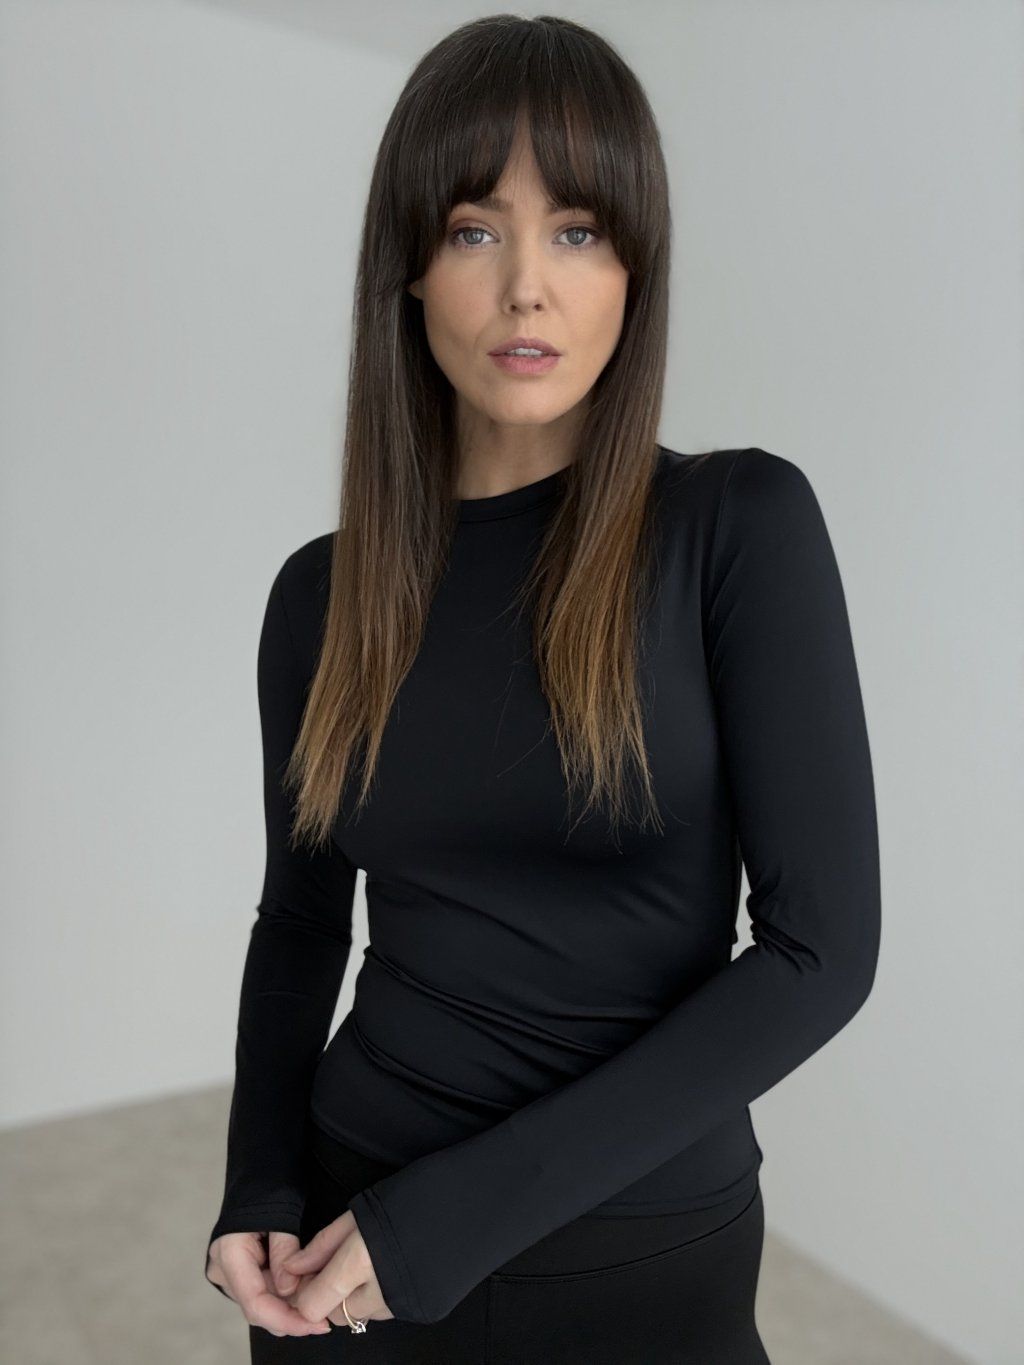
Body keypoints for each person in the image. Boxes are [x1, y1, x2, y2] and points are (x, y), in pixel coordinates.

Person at [202, 14, 881, 1363]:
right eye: (474, 229)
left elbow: (819, 955)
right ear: (408, 268)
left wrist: (443, 1226)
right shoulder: (320, 594)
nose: (527, 287)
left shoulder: (735, 528)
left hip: (637, 1255)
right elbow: (300, 920)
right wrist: (259, 1188)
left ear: (635, 271)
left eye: (577, 230)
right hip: (341, 1244)